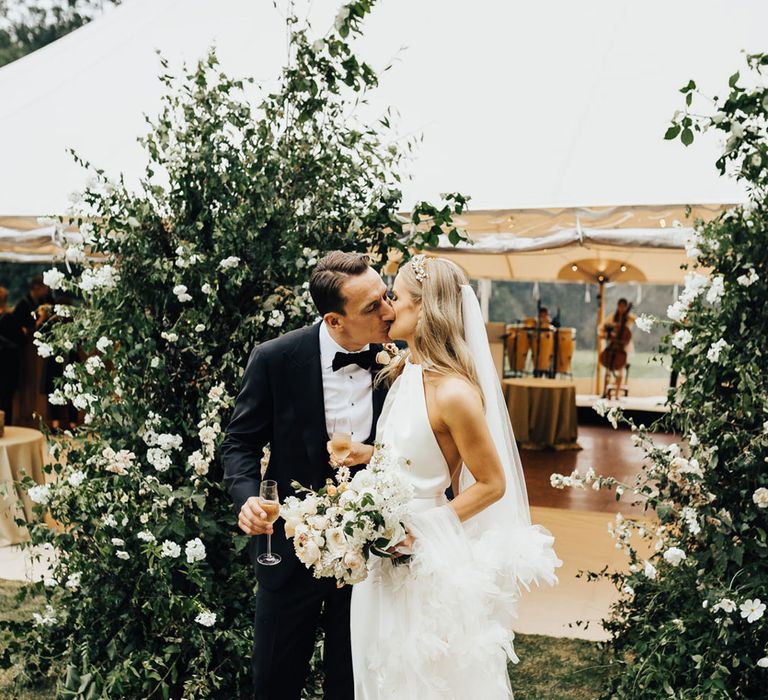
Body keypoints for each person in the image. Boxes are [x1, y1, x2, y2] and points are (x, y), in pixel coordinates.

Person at [351, 255, 561, 698]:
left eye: (396, 298)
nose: (387, 308)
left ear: (425, 308)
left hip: (424, 556)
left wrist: (419, 530)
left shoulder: (455, 393)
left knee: (423, 680)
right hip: (382, 557)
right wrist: (367, 460)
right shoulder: (407, 372)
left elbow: (492, 483)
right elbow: (412, 459)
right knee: (376, 673)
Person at [222, 251, 395, 700]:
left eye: (386, 297)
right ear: (335, 320)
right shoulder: (276, 359)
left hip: (371, 560)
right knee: (274, 682)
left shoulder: (402, 363)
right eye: (372, 307)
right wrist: (247, 499)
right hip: (288, 554)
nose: (389, 312)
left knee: (354, 684)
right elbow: (239, 443)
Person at [598, 297, 635, 397]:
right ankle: (604, 392)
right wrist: (609, 333)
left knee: (620, 369)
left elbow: (637, 321)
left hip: (624, 346)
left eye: (624, 307)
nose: (622, 309)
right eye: (620, 306)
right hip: (612, 344)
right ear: (617, 306)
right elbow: (602, 328)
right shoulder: (612, 317)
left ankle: (617, 394)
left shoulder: (630, 317)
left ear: (626, 307)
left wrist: (627, 316)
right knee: (607, 368)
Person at [0, 287, 23, 424]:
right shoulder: (10, 318)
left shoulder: (8, 318)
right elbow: (21, 340)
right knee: (5, 399)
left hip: (6, 365)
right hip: (8, 364)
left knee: (4, 399)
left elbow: (20, 341)